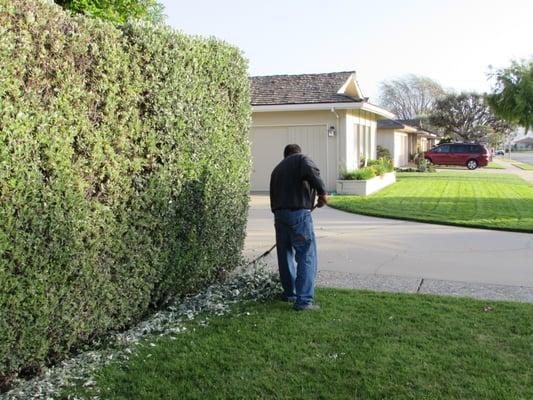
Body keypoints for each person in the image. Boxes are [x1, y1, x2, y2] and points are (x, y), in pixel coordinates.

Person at [269, 144, 328, 311]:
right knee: (306, 255)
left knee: (285, 254)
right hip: (298, 215)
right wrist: (322, 193)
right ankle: (303, 301)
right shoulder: (301, 159)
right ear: (297, 152)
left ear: (285, 155)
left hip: (279, 216)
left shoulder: (277, 169)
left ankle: (290, 293)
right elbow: (312, 172)